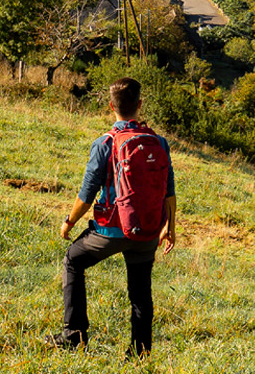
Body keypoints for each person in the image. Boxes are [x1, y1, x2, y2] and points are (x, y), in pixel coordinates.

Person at [50, 77, 177, 355]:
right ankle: (140, 352)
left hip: (110, 231)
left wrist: (68, 222)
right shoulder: (160, 142)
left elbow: (86, 194)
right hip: (148, 231)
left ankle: (73, 336)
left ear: (111, 106)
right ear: (140, 105)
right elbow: (169, 192)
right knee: (141, 290)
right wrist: (170, 228)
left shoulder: (104, 143)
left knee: (73, 261)